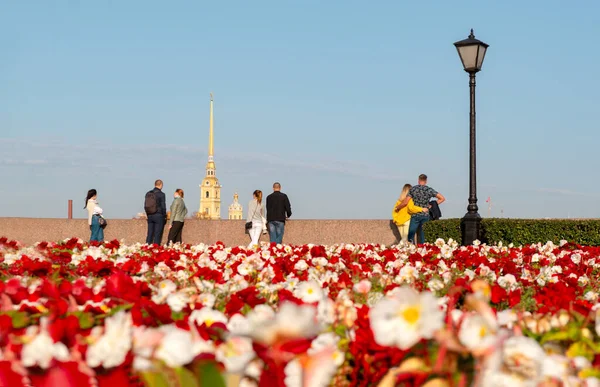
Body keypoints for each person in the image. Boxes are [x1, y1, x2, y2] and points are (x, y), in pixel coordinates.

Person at [398, 174, 445, 244]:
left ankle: (410, 249)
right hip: (426, 215)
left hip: (415, 215)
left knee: (411, 234)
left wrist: (398, 207)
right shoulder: (429, 190)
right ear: (426, 181)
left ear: (418, 180)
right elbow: (442, 198)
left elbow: (405, 202)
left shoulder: (413, 189)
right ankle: (423, 249)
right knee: (423, 235)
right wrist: (431, 205)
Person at [145, 179, 167, 245]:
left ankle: (147, 248)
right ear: (161, 185)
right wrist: (164, 216)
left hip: (150, 215)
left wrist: (147, 214)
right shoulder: (162, 194)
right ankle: (156, 250)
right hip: (158, 215)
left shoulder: (148, 193)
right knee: (157, 235)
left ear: (155, 184)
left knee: (149, 234)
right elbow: (163, 206)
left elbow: (146, 205)